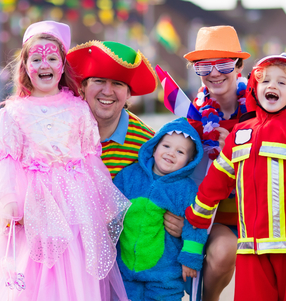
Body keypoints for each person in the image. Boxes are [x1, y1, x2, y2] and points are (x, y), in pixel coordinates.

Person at [0, 21, 129, 301]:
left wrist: (99, 206)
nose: (44, 64)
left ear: (62, 65)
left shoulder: (79, 110)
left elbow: (91, 160)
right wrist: (9, 201)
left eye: (52, 58)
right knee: (34, 275)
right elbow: (5, 163)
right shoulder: (13, 114)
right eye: (36, 58)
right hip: (32, 209)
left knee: (73, 274)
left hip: (73, 209)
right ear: (25, 66)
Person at [185, 53, 286, 301]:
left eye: (281, 83)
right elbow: (219, 176)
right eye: (265, 81)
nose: (272, 86)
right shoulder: (240, 132)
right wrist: (199, 210)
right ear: (254, 88)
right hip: (251, 248)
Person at [66, 40, 186, 238]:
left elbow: (170, 196)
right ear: (83, 86)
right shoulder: (61, 131)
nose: (107, 91)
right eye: (99, 80)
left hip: (123, 256)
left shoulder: (148, 145)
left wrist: (181, 222)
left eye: (118, 84)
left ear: (129, 93)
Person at [182, 25, 251, 301]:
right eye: (203, 66)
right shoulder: (193, 117)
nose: (213, 73)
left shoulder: (262, 109)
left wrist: (240, 152)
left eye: (223, 64)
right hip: (210, 214)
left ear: (238, 66)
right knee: (225, 251)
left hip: (254, 213)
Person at [112, 117, 208, 301]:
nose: (171, 153)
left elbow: (195, 224)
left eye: (180, 152)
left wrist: (190, 258)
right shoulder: (130, 175)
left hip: (165, 275)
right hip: (124, 269)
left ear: (189, 161)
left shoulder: (186, 189)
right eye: (166, 146)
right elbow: (111, 207)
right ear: (154, 147)